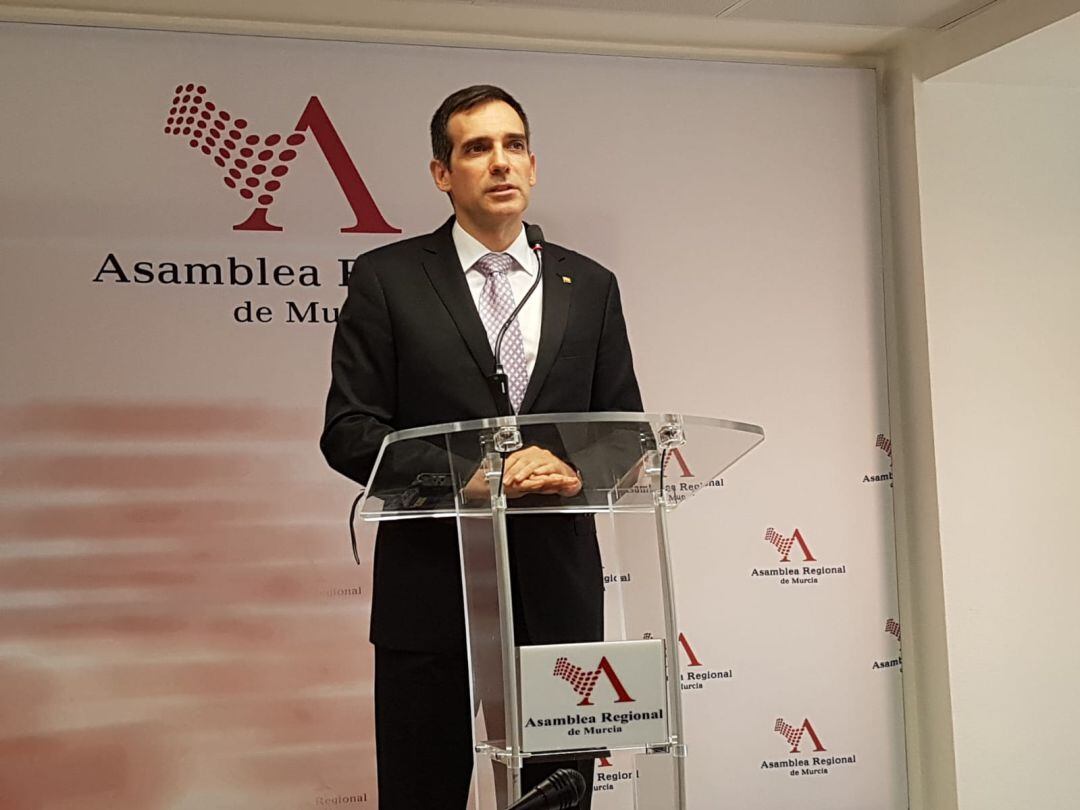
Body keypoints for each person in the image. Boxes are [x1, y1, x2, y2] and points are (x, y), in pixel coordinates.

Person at [320, 85, 642, 810]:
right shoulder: (389, 279)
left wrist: (569, 468)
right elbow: (349, 431)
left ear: (533, 165)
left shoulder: (590, 285)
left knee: (560, 795)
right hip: (431, 588)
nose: (500, 162)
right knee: (422, 792)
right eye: (477, 148)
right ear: (443, 173)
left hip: (558, 590)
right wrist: (465, 476)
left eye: (513, 145)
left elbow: (624, 431)